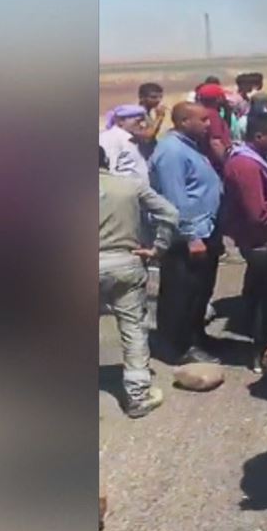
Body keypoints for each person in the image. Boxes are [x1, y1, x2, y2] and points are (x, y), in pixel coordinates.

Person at [100, 146, 177, 418]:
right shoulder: (130, 185)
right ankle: (137, 396)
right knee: (133, 329)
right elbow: (170, 213)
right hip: (125, 262)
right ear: (106, 161)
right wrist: (158, 247)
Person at [149, 103, 225, 365]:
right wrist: (191, 236)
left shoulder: (190, 146)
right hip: (186, 237)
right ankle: (177, 347)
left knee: (200, 291)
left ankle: (196, 336)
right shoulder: (171, 152)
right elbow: (175, 199)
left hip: (205, 230)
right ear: (183, 122)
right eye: (203, 120)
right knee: (181, 294)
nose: (208, 124)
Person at [222, 113, 267, 372]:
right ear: (259, 136)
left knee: (259, 293)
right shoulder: (246, 166)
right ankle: (261, 350)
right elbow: (257, 214)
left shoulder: (254, 159)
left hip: (262, 238)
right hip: (261, 241)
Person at [99, 104, 150, 183]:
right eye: (138, 121)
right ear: (121, 121)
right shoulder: (111, 138)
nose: (142, 125)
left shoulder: (130, 138)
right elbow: (110, 171)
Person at [194, 83, 236, 172]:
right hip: (217, 164)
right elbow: (216, 142)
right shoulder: (212, 115)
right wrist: (227, 164)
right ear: (218, 99)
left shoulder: (202, 112)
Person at [136, 82, 169, 157]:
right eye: (153, 97)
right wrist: (159, 117)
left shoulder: (147, 113)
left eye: (160, 97)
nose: (158, 100)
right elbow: (147, 136)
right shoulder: (138, 114)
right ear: (142, 97)